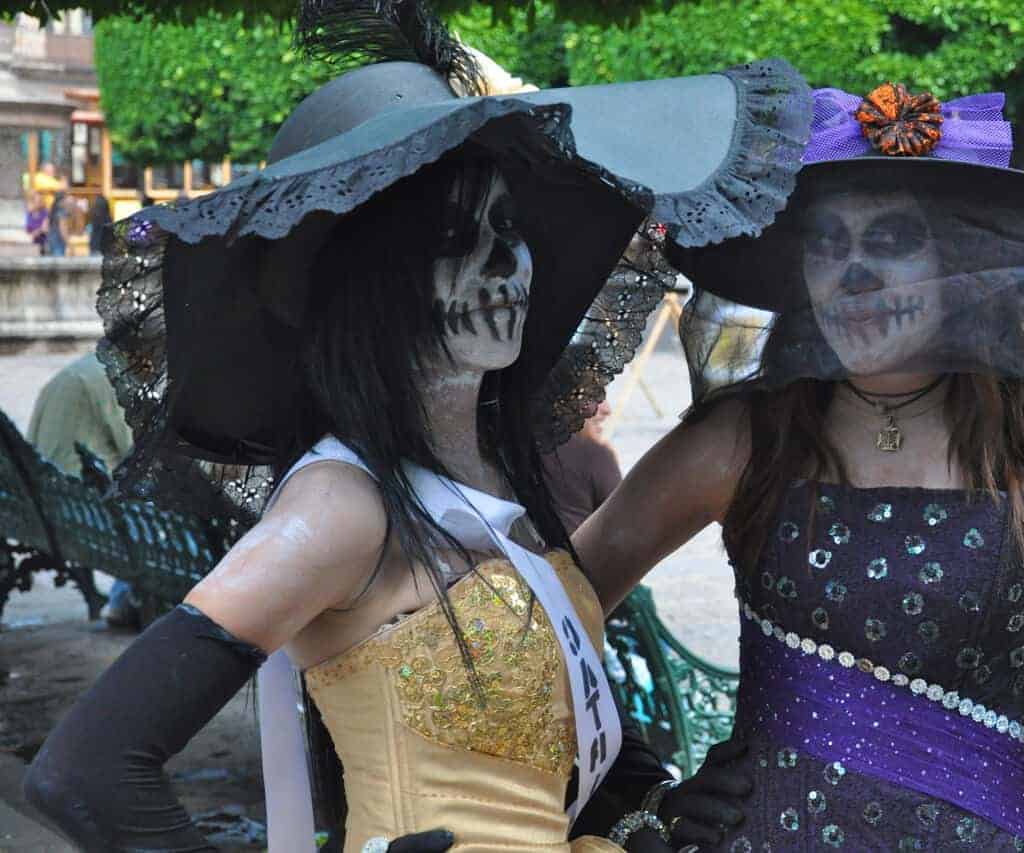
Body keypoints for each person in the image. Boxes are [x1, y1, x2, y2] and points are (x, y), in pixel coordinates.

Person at [22, 4, 811, 851]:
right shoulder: (341, 506)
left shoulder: (499, 480)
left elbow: (523, 756)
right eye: (451, 237)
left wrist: (648, 806)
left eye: (507, 230)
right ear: (368, 283)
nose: (504, 267)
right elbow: (88, 770)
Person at [574, 84, 1024, 851]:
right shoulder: (744, 440)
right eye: (828, 245)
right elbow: (548, 617)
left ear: (960, 260)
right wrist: (634, 794)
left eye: (892, 240)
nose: (854, 274)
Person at [26, 349, 140, 627]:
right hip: (80, 509)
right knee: (164, 500)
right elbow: (137, 452)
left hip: (39, 502)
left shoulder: (84, 369)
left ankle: (126, 596)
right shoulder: (118, 377)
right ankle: (127, 597)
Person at [543, 399, 623, 533]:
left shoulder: (512, 449)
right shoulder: (594, 455)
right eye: (595, 396)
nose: (607, 410)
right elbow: (625, 528)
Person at [23, 188, 48, 254]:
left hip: (44, 245)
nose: (39, 202)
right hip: (31, 245)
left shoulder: (45, 213)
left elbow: (45, 229)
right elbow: (27, 229)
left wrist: (35, 233)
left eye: (40, 201)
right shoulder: (28, 214)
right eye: (35, 201)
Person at [45, 191, 68, 257]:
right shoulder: (62, 212)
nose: (66, 202)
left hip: (50, 242)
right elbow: (63, 229)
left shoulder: (52, 211)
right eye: (65, 199)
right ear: (61, 201)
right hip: (59, 243)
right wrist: (69, 243)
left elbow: (45, 228)